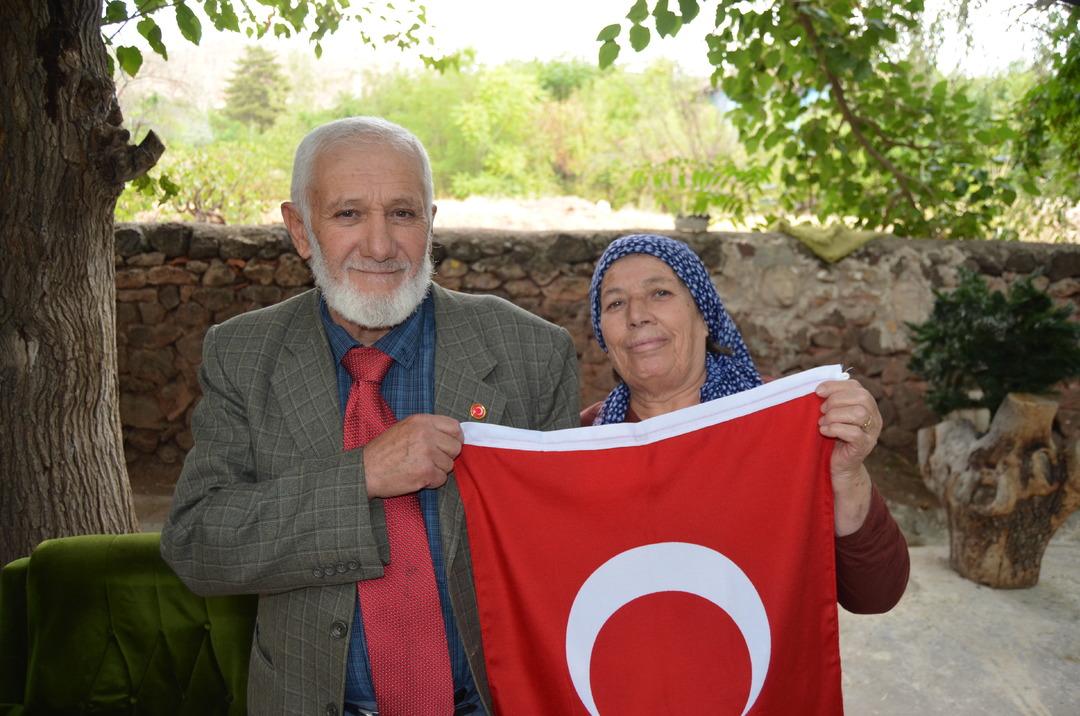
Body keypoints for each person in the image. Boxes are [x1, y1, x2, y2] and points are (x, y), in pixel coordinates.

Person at [160, 117, 580, 716]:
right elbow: (198, 543)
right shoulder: (243, 354)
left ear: (432, 224)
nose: (381, 246)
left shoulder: (531, 352)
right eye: (349, 214)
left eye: (404, 214)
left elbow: (569, 551)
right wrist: (361, 478)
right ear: (300, 229)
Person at [582, 233, 909, 613]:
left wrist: (847, 477)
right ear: (604, 335)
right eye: (616, 302)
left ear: (705, 315)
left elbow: (876, 594)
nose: (636, 315)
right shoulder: (585, 442)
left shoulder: (784, 422)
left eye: (660, 293)